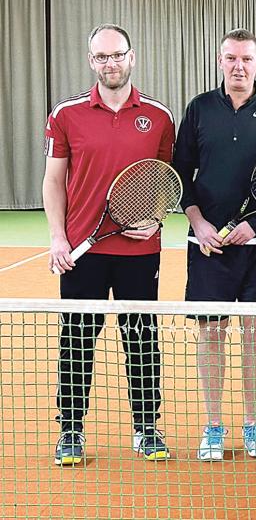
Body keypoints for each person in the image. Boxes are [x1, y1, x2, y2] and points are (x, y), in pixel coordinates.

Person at [44, 23, 175, 465]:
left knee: (141, 338)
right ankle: (72, 432)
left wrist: (155, 217)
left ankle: (146, 429)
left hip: (141, 252)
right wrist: (59, 238)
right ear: (91, 62)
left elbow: (165, 181)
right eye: (101, 57)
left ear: (132, 57)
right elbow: (53, 180)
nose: (110, 63)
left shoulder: (159, 117)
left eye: (117, 55)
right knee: (77, 340)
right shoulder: (66, 114)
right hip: (85, 251)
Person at [173, 28, 256, 461]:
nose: (238, 66)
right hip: (209, 246)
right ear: (220, 61)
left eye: (246, 59)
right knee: (210, 336)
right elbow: (180, 176)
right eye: (231, 58)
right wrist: (198, 222)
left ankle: (252, 423)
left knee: (255, 335)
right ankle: (213, 426)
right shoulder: (200, 109)